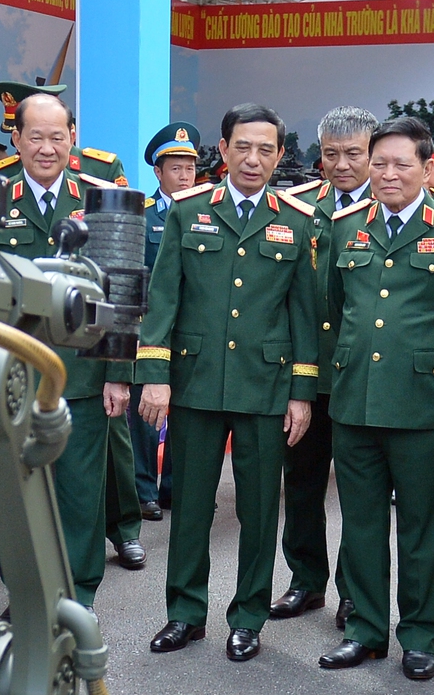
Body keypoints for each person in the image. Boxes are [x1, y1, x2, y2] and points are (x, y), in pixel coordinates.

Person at [137, 104, 320, 661]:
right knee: (190, 504)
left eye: (266, 149)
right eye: (243, 146)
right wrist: (154, 376)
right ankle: (185, 613)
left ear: (280, 156)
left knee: (259, 509)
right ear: (223, 149)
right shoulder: (189, 212)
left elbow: (303, 313)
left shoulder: (298, 220)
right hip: (194, 383)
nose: (253, 158)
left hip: (265, 386)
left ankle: (248, 616)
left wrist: (302, 392)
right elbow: (163, 297)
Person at [322, 116, 434, 679]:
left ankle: (421, 635)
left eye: (402, 164)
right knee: (362, 524)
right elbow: (335, 308)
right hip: (356, 403)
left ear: (429, 168)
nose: (388, 173)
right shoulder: (345, 226)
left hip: (426, 405)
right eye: (380, 163)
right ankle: (366, 631)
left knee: (423, 527)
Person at [0, 88, 131, 603]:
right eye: (35, 137)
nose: (47, 148)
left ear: (73, 138)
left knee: (79, 493)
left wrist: (118, 373)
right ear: (17, 139)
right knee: (16, 492)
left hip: (82, 376)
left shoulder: (102, 199)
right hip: (10, 375)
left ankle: (78, 597)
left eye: (57, 136)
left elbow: (122, 288)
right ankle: (23, 596)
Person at [272, 104, 379, 624]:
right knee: (303, 482)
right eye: (331, 154)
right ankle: (305, 580)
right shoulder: (297, 208)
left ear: (372, 152)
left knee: (361, 494)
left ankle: (357, 592)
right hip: (306, 372)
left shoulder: (394, 203)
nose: (341, 165)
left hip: (362, 375)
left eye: (353, 154)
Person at [135, 123, 206, 520]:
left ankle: (176, 488)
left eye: (189, 168)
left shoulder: (207, 215)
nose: (183, 176)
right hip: (153, 328)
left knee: (189, 412)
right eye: (175, 168)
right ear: (158, 173)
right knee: (147, 411)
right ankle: (143, 489)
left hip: (194, 330)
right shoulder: (143, 217)